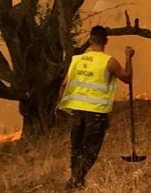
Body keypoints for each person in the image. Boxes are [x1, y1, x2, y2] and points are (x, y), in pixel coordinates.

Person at [58, 25, 134, 191]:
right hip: (96, 112)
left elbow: (64, 84)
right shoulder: (109, 61)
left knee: (76, 147)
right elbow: (127, 78)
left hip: (77, 111)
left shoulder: (77, 60)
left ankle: (76, 180)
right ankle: (75, 181)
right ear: (105, 41)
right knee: (90, 149)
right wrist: (128, 57)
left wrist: (61, 107)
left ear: (90, 40)